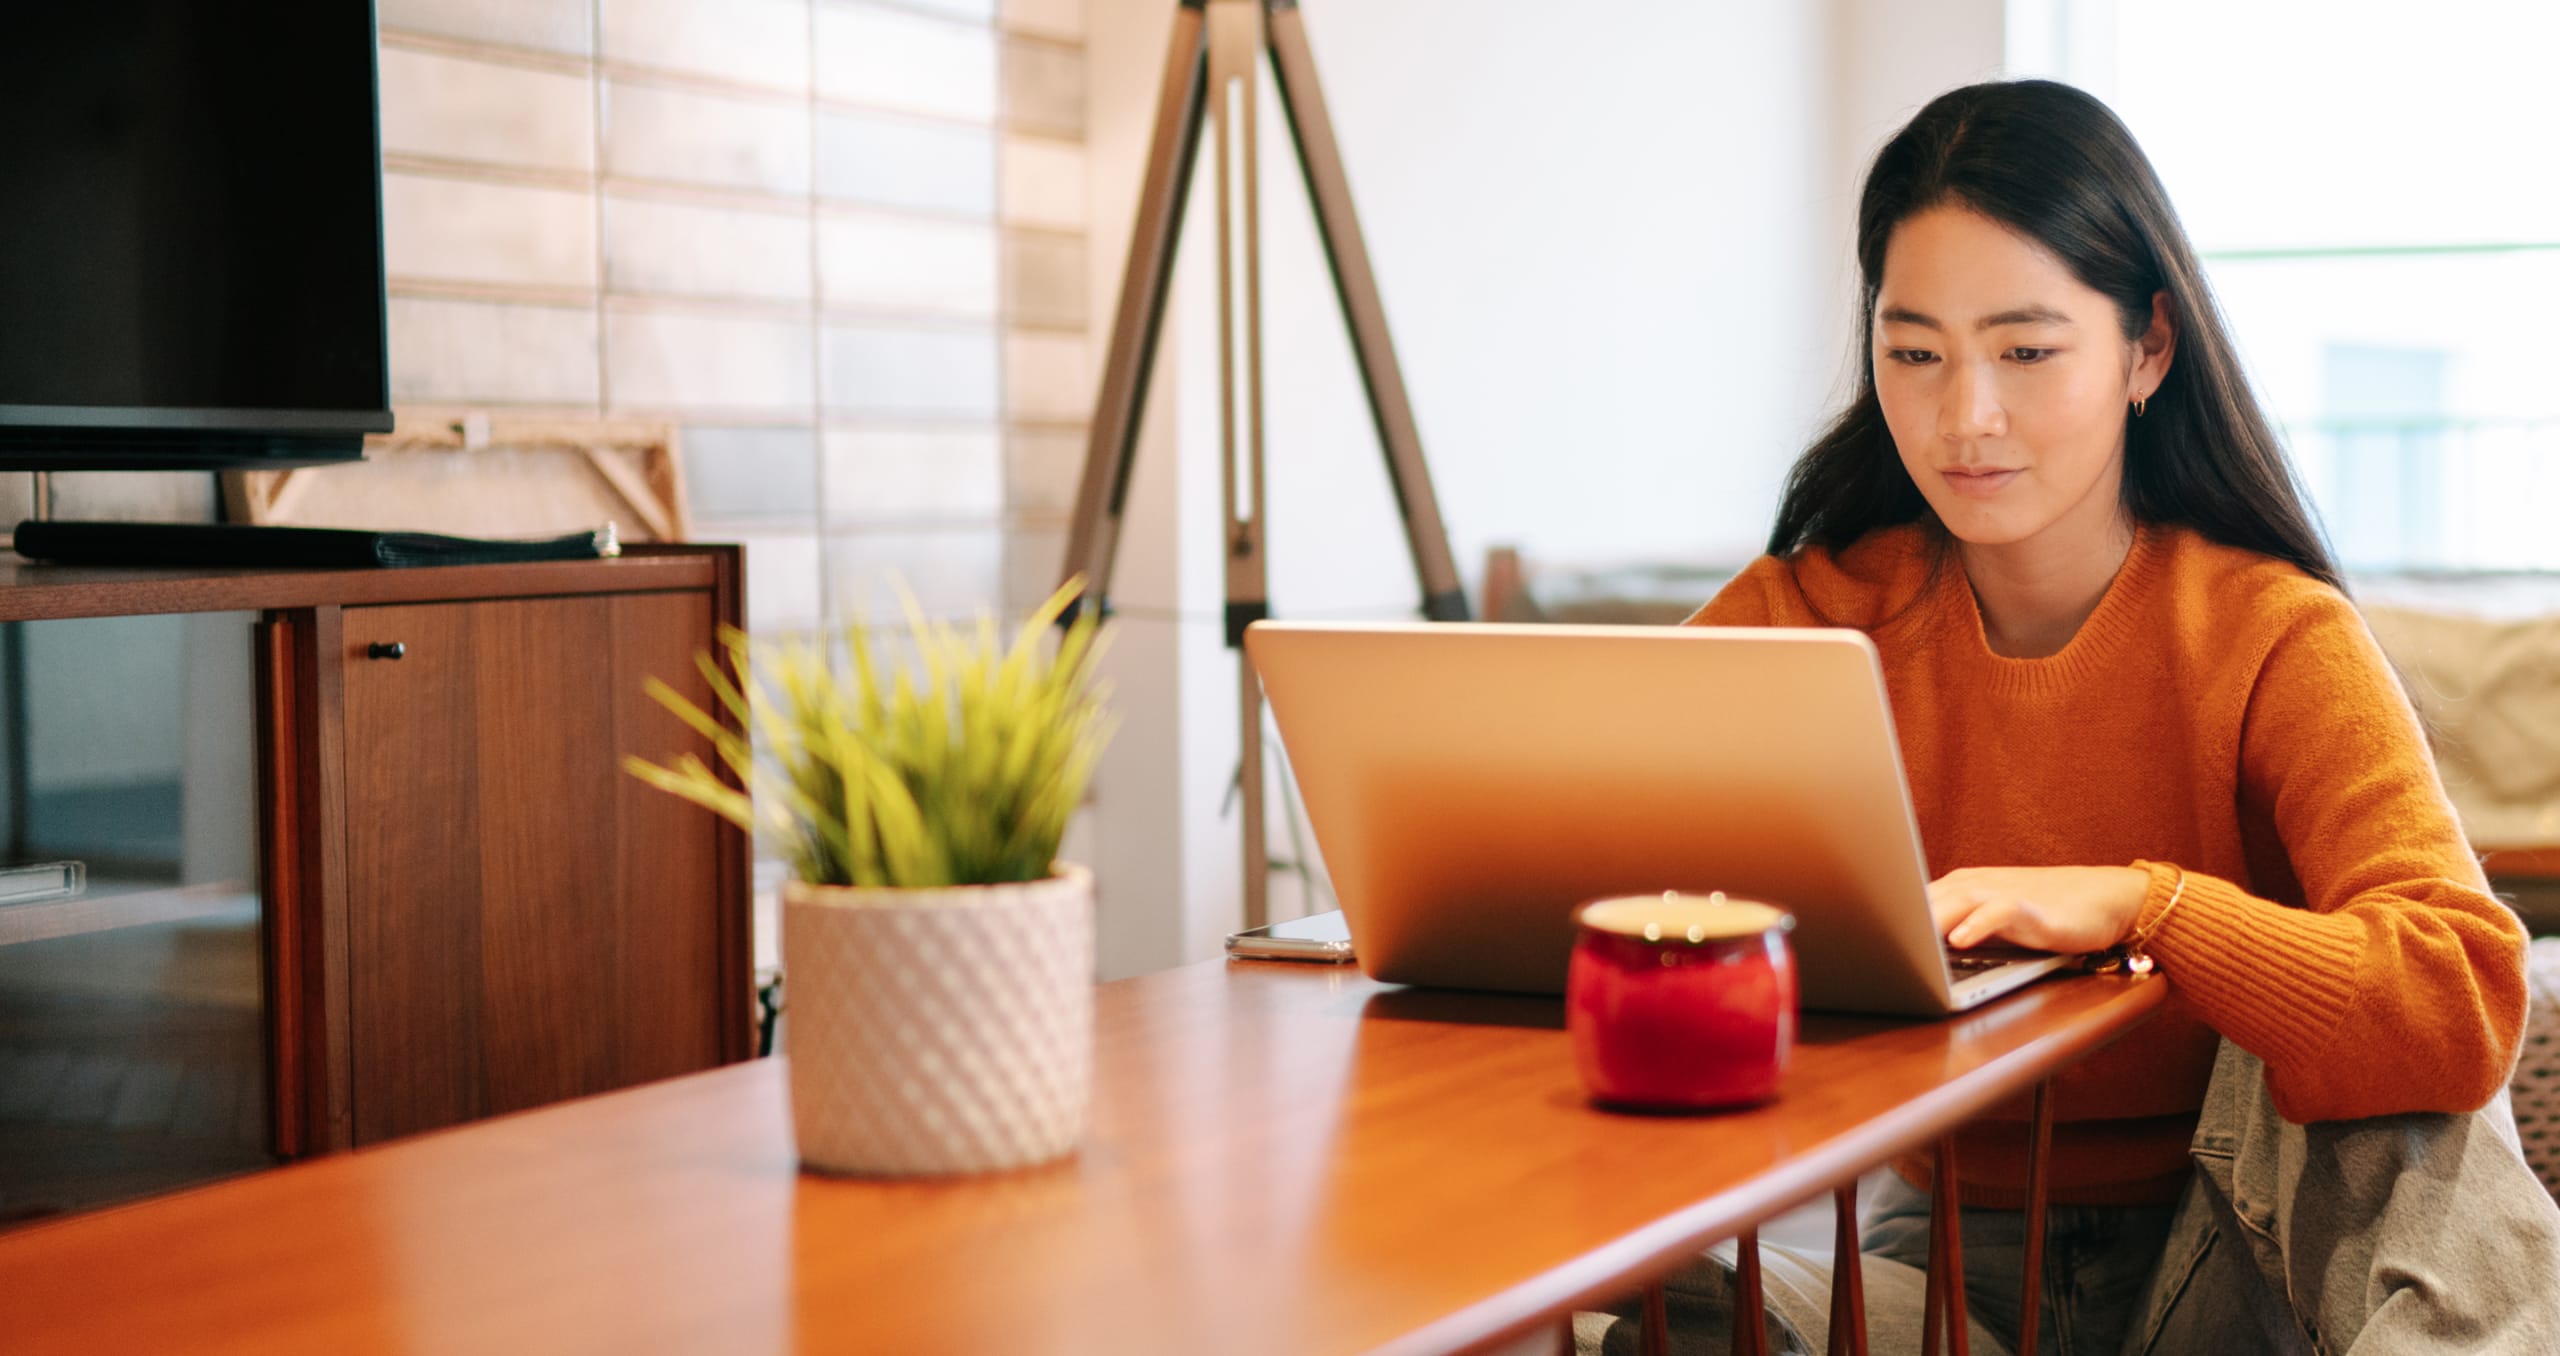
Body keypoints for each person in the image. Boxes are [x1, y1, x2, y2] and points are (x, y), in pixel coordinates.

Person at [1593, 79, 2533, 1355]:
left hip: (2237, 1257)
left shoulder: (2267, 630)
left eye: (2025, 352)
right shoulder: (1803, 623)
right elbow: (1575, 868)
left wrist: (2150, 908)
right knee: (1643, 1324)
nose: (1963, 415)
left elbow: (2464, 999)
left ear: (2147, 348)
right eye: (1913, 352)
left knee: (2371, 1032)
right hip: (1943, 1277)